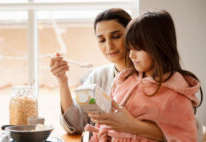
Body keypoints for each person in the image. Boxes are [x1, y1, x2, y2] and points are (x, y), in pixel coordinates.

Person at [87, 9, 203, 142]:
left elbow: (187, 136)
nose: (131, 55)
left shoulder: (175, 94)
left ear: (159, 46)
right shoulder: (122, 79)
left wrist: (132, 127)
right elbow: (104, 122)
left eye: (137, 48)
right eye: (130, 48)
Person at [50, 8, 164, 141]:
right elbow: (75, 124)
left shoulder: (154, 77)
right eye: (102, 40)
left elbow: (172, 131)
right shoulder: (97, 77)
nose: (109, 45)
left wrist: (131, 125)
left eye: (115, 36)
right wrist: (62, 80)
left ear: (131, 35)